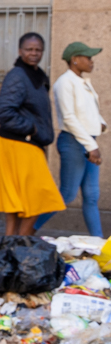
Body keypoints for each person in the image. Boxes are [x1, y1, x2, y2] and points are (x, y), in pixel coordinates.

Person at [0, 33, 65, 236]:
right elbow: (4, 112)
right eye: (29, 49)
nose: (34, 53)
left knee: (22, 202)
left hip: (27, 144)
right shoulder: (18, 75)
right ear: (20, 51)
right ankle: (20, 243)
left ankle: (11, 246)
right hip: (17, 143)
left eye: (38, 50)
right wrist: (32, 129)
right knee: (38, 198)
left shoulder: (38, 76)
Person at [35, 42, 106, 237]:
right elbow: (69, 118)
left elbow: (89, 112)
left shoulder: (82, 82)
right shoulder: (65, 82)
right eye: (87, 58)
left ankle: (99, 242)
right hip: (74, 143)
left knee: (92, 196)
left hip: (88, 142)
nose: (91, 62)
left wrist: (100, 124)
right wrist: (91, 146)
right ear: (75, 59)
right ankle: (26, 231)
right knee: (67, 194)